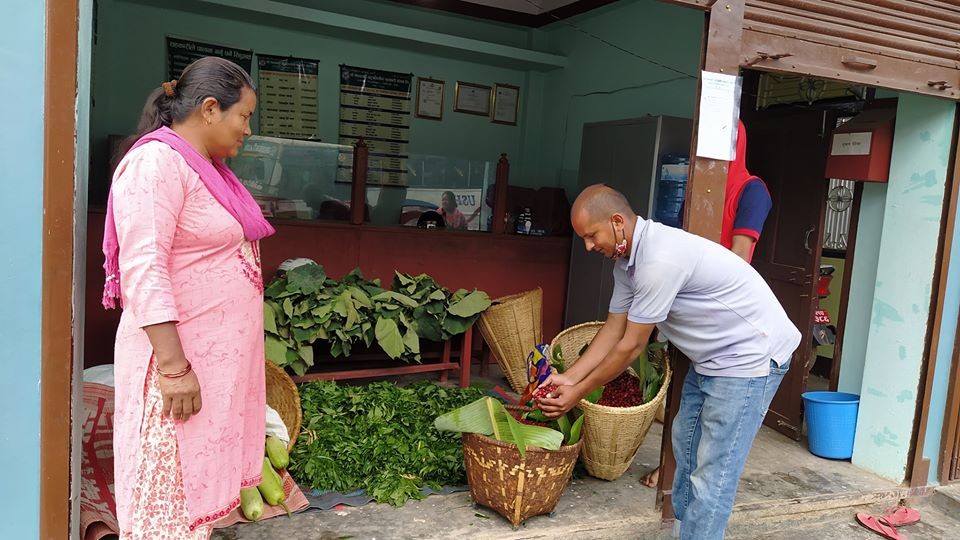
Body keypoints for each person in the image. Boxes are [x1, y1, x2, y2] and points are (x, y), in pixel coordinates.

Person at [538, 184, 799, 540]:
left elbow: (630, 346)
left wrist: (579, 391)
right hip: (711, 360)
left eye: (591, 235)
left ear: (617, 222)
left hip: (749, 359)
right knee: (686, 455)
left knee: (713, 474)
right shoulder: (626, 264)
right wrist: (568, 379)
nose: (588, 246)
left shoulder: (659, 259)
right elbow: (613, 330)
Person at [102, 56, 275, 540]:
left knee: (189, 509)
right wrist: (174, 369)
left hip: (206, 370)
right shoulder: (156, 163)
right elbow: (144, 268)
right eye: (243, 116)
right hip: (175, 373)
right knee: (165, 508)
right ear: (210, 108)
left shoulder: (206, 169)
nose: (246, 130)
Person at [641, 119, 773, 488]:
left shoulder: (753, 191)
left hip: (721, 312)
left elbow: (740, 255)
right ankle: (672, 469)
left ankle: (684, 475)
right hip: (684, 304)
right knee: (680, 397)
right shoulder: (700, 188)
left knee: (708, 410)